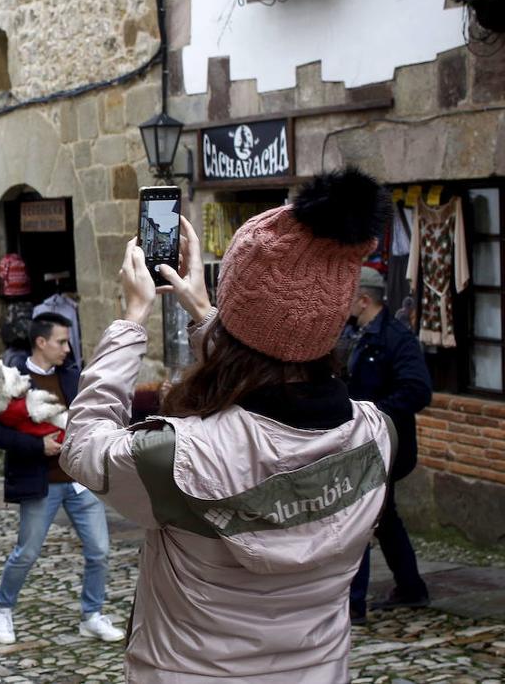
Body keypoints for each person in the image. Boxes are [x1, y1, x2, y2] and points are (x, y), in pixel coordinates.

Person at [60, 168, 397, 682]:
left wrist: (131, 321)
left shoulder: (177, 457)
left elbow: (83, 447)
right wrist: (205, 310)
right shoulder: (376, 438)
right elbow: (279, 352)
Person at [0, 313, 124, 645]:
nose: (67, 347)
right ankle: (1, 608)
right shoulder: (11, 380)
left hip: (78, 479)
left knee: (99, 550)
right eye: (61, 341)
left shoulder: (72, 376)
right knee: (27, 552)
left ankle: (91, 615)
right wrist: (36, 445)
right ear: (41, 342)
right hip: (40, 482)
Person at [343, 266, 433, 623]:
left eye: (349, 297)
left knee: (360, 516)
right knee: (384, 517)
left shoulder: (397, 338)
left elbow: (417, 390)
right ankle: (411, 588)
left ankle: (353, 604)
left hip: (384, 443)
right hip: (358, 441)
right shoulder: (354, 331)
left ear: (363, 299)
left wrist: (372, 413)